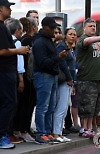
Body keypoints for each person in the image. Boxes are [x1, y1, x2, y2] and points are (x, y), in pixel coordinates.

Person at [0, 0, 29, 149]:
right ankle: (2, 136)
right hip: (4, 72)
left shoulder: (3, 26)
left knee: (8, 103)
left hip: (7, 72)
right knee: (9, 103)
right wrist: (18, 50)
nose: (10, 10)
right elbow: (2, 51)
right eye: (8, 7)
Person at [32, 17, 66, 144]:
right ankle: (41, 133)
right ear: (44, 27)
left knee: (51, 106)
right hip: (43, 75)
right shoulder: (40, 42)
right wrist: (59, 57)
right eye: (51, 28)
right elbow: (42, 62)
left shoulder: (48, 41)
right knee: (43, 106)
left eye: (55, 28)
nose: (54, 30)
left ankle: (47, 131)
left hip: (51, 76)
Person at [76, 18, 100, 138]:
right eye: (90, 26)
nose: (93, 28)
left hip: (97, 80)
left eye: (94, 26)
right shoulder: (83, 40)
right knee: (86, 105)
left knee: (94, 108)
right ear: (84, 28)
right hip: (86, 79)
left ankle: (89, 128)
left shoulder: (95, 44)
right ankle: (84, 128)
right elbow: (87, 41)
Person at [53, 27, 77, 142]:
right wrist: (69, 78)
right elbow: (62, 63)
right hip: (64, 81)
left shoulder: (70, 48)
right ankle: (56, 133)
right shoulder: (62, 46)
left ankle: (60, 132)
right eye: (70, 34)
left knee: (64, 107)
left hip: (69, 81)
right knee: (61, 107)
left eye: (74, 34)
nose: (73, 36)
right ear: (65, 35)